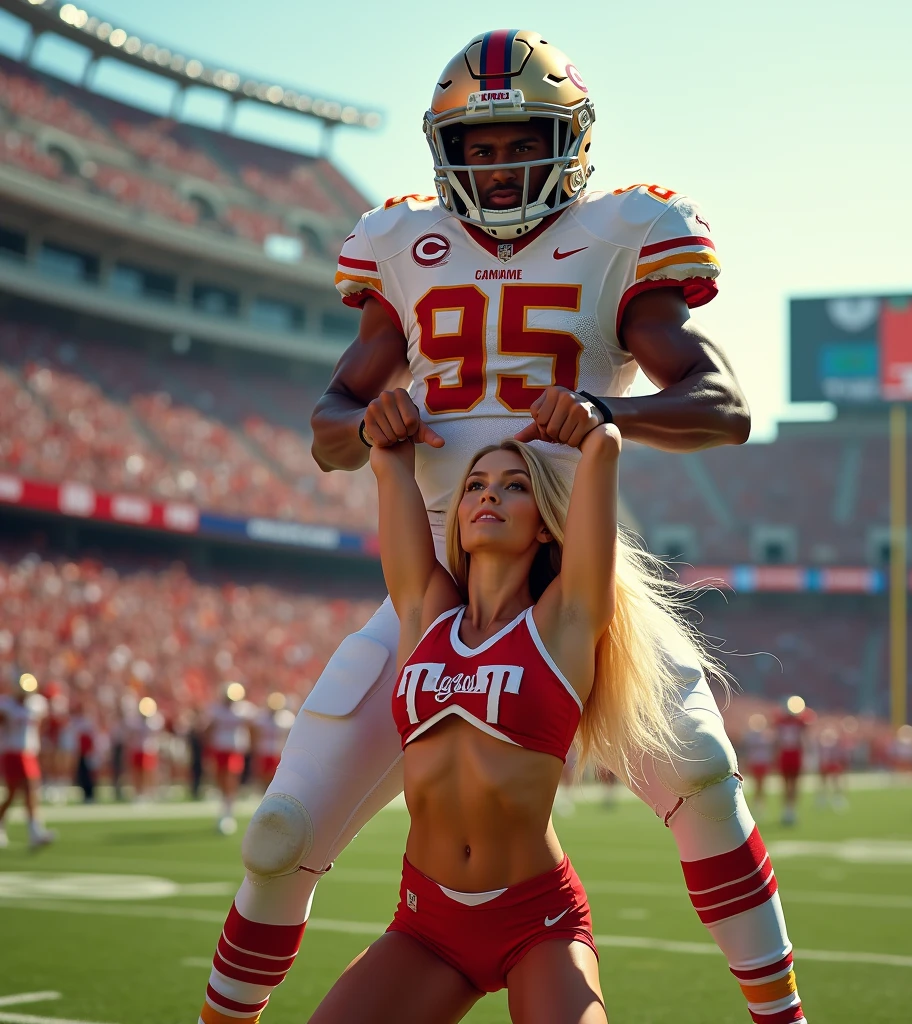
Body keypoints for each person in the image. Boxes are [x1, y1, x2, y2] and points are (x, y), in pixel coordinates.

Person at [199, 30, 807, 1024]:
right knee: (279, 829)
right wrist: (370, 425)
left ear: (567, 141)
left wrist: (613, 417)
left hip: (573, 577)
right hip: (435, 589)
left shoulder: (622, 233)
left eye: (517, 137)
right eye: (474, 146)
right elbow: (328, 428)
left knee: (700, 776)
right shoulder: (402, 245)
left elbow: (720, 404)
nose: (496, 162)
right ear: (443, 152)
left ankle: (785, 1017)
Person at [312, 407, 656, 1020]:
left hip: (539, 921)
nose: (488, 493)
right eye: (475, 485)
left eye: (513, 485)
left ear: (545, 526)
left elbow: (604, 450)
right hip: (426, 921)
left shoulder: (562, 620)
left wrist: (592, 423)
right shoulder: (425, 611)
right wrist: (384, 422)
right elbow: (387, 464)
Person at [0, 670, 55, 850]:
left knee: (30, 789)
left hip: (28, 753)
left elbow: (39, 724)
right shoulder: (7, 705)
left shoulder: (36, 704)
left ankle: (35, 831)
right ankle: (33, 831)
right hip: (12, 752)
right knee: (14, 794)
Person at [205, 682, 254, 835]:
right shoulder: (216, 709)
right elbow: (209, 729)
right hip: (219, 748)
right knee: (220, 779)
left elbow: (251, 728)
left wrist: (250, 744)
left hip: (234, 749)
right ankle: (225, 805)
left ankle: (228, 809)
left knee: (230, 777)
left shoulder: (244, 709)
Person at [775, 697, 812, 826]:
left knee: (795, 784)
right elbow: (778, 741)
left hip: (796, 755)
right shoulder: (781, 722)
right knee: (786, 784)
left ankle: (792, 810)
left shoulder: (800, 722)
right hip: (786, 754)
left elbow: (804, 739)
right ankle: (786, 810)